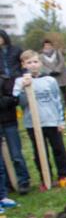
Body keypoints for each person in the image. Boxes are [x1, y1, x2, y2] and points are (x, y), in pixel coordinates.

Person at [13, 50, 66, 189]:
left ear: (40, 63)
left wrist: (60, 121)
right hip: (33, 123)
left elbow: (57, 101)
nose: (33, 65)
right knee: (40, 152)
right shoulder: (19, 82)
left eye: (35, 62)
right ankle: (45, 178)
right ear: (23, 64)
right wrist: (23, 87)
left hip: (51, 121)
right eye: (29, 62)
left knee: (59, 149)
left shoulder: (49, 80)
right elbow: (18, 102)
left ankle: (63, 175)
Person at [0, 29, 31, 194]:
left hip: (9, 119)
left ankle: (23, 180)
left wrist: (8, 100)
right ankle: (7, 184)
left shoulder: (6, 80)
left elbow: (12, 98)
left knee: (15, 153)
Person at [40, 39, 66, 107]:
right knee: (53, 90)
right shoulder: (41, 56)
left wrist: (57, 70)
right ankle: (57, 103)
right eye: (46, 45)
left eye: (49, 45)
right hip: (50, 75)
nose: (47, 46)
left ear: (51, 45)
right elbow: (42, 65)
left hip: (60, 74)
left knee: (63, 89)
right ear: (43, 46)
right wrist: (50, 71)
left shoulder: (57, 52)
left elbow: (62, 61)